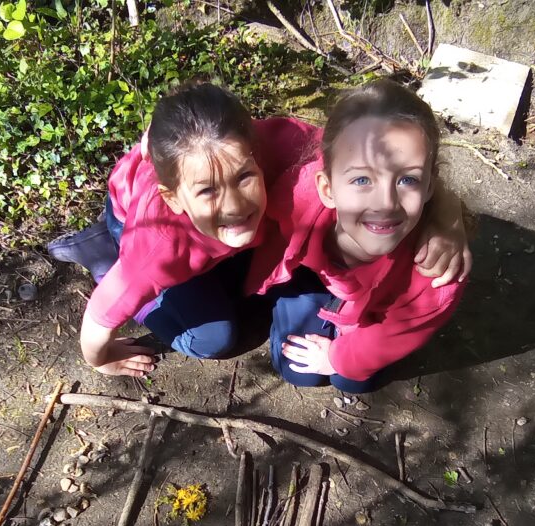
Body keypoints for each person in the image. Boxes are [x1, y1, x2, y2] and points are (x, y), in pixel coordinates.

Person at [49, 80, 470, 378]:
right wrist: (100, 360)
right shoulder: (158, 245)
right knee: (213, 337)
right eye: (210, 190)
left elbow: (381, 159)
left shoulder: (285, 145)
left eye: (245, 177)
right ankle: (103, 253)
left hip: (204, 225)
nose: (234, 204)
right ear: (177, 197)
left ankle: (209, 249)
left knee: (249, 274)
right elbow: (99, 320)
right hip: (136, 223)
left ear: (255, 151)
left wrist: (446, 214)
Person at [247, 79, 468, 393]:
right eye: (363, 179)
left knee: (352, 378)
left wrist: (338, 359)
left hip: (379, 307)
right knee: (299, 371)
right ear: (327, 189)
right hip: (313, 276)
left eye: (407, 180)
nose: (386, 203)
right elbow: (235, 142)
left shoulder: (436, 274)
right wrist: (156, 149)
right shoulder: (300, 191)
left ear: (430, 186)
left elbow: (396, 334)